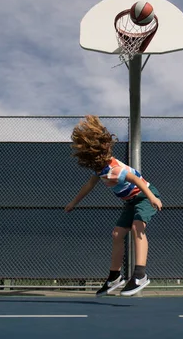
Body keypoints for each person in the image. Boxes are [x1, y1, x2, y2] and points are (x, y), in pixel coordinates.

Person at [64, 115, 162, 297]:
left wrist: (151, 198)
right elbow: (89, 185)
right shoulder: (99, 170)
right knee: (117, 234)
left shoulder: (115, 170)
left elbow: (135, 179)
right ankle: (114, 276)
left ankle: (140, 275)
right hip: (130, 201)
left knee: (137, 227)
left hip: (144, 196)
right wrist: (73, 202)